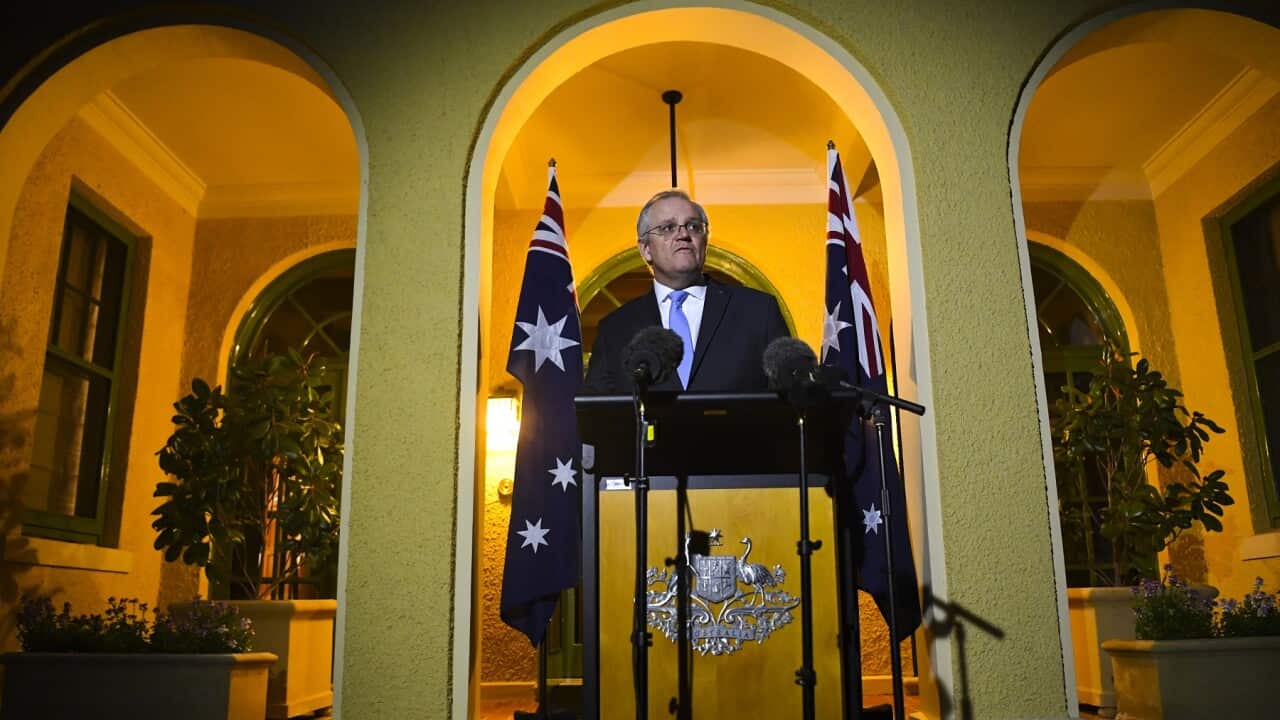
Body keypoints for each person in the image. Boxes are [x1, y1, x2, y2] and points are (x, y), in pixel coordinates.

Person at [582, 189, 789, 393]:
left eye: (693, 226)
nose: (683, 234)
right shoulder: (615, 329)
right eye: (668, 228)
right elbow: (598, 415)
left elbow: (789, 404)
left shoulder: (759, 312)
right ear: (646, 249)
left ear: (705, 241)